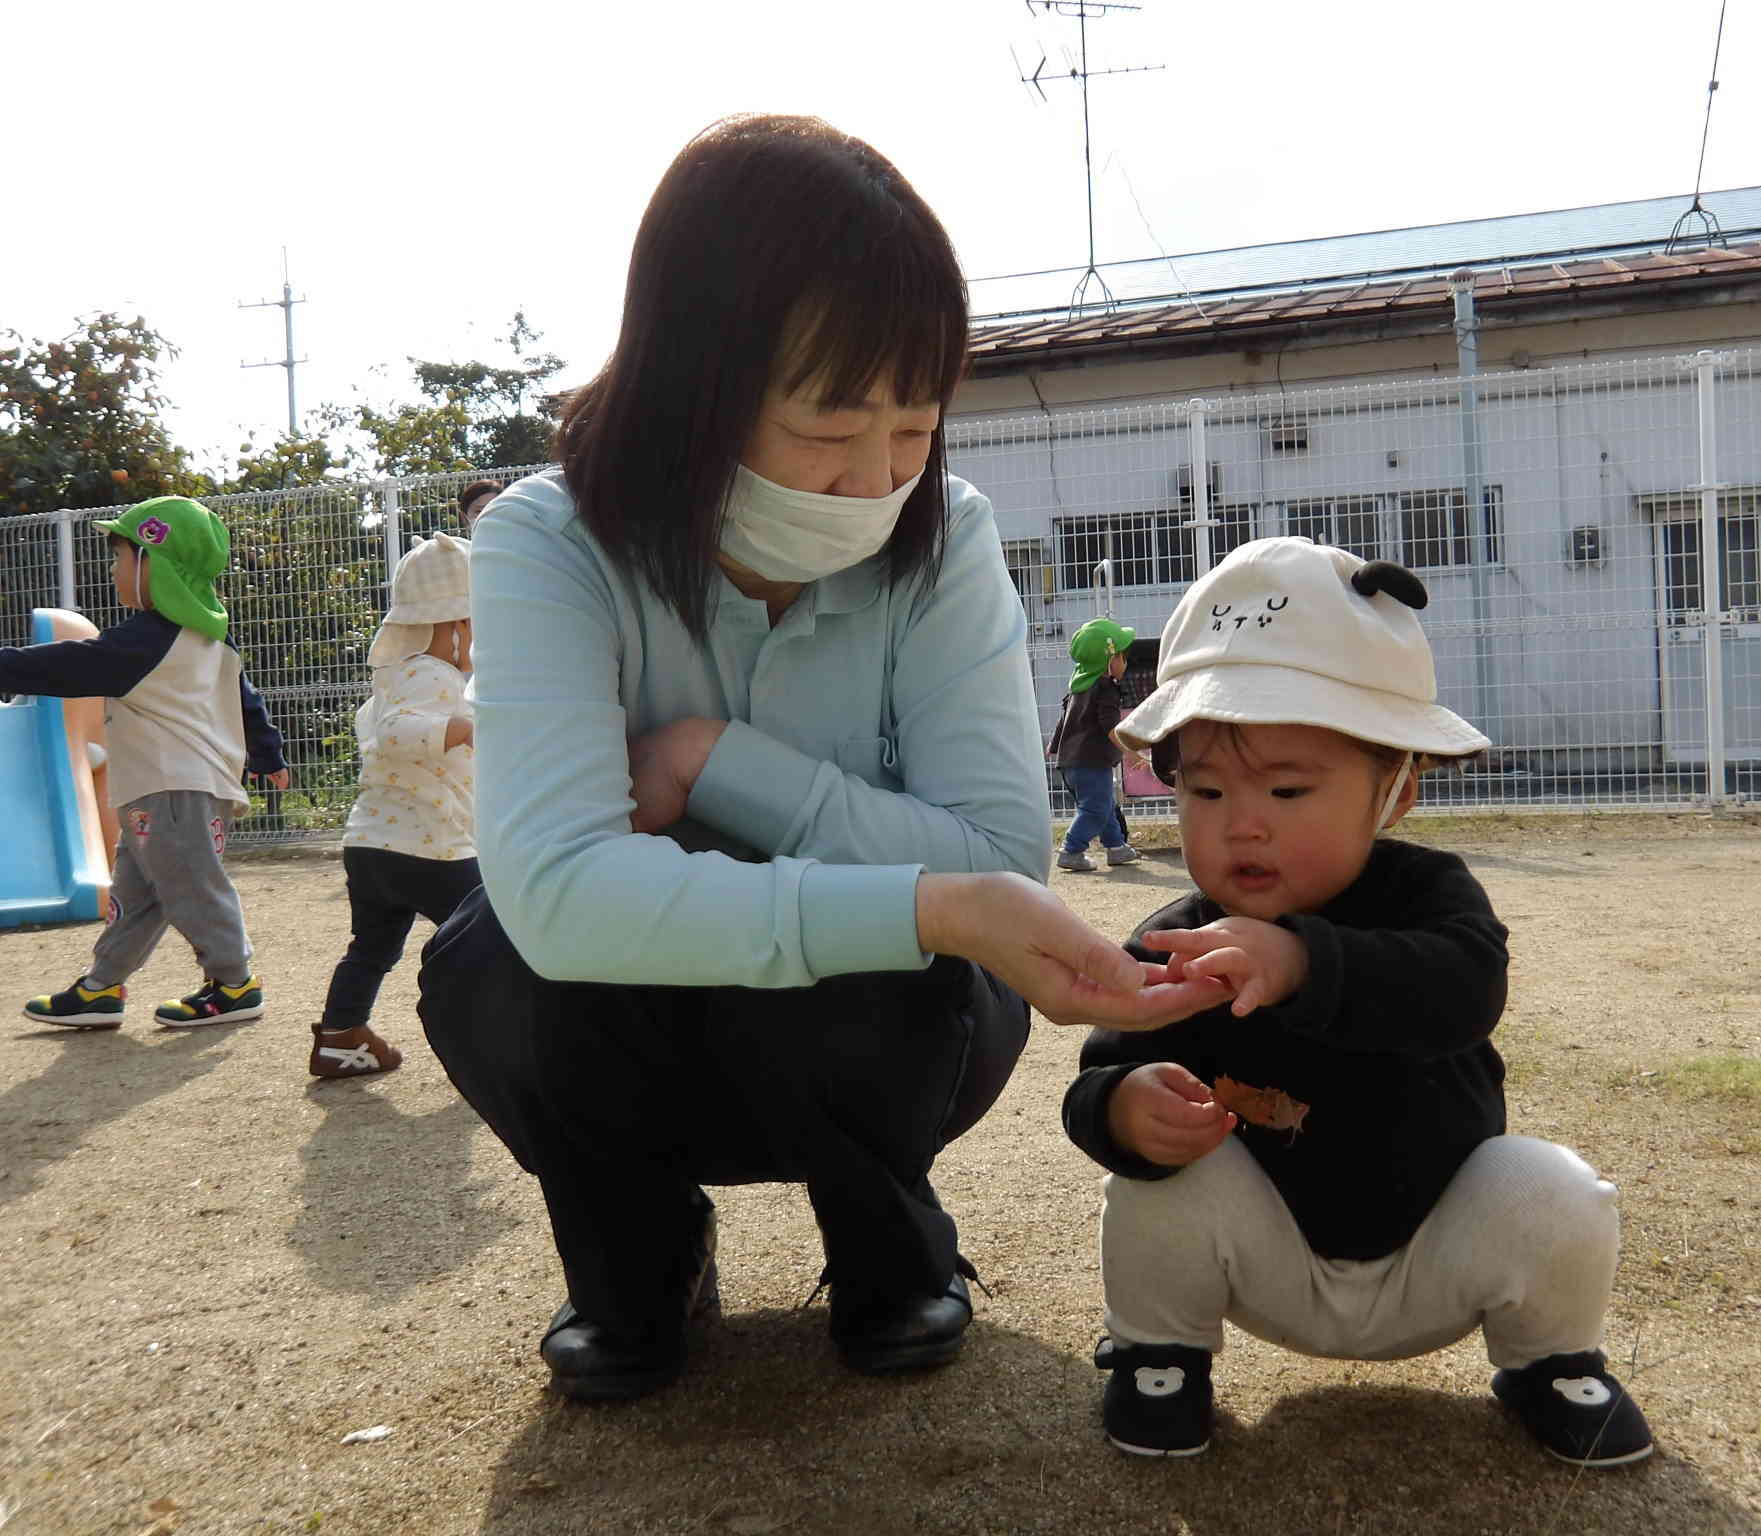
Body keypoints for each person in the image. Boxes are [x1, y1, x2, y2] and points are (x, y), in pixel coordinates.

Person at [416, 114, 1215, 1405]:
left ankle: (890, 1244)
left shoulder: (945, 536)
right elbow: (560, 894)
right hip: (625, 1029)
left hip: (878, 1043)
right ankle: (639, 1256)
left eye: (914, 426)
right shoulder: (548, 541)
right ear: (694, 382)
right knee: (491, 963)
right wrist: (922, 893)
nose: (874, 479)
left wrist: (714, 760)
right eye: (829, 425)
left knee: (880, 962)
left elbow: (1001, 859)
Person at [1062, 536, 1656, 1468]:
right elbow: (1102, 1070)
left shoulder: (1431, 896)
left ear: (1397, 792)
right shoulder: (1180, 934)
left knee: (1553, 1188)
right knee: (1154, 1193)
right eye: (1204, 788)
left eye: (1290, 789)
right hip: (1268, 1264)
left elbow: (1465, 989)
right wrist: (1121, 1112)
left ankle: (1550, 1360)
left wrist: (1303, 962)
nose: (1241, 822)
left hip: (1436, 1255)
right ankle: (1158, 1353)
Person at [6, 497, 290, 1029]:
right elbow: (243, 698)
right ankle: (101, 986)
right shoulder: (211, 636)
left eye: (120, 558)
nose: (112, 571)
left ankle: (235, 983)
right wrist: (267, 751)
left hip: (173, 790)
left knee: (190, 885)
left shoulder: (145, 641)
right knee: (136, 895)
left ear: (154, 565)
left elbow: (66, 667)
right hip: (168, 789)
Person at [308, 532, 480, 1078]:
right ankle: (488, 1041)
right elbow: (396, 734)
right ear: (453, 627)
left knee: (373, 946)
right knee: (486, 938)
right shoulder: (430, 676)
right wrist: (462, 728)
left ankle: (340, 1034)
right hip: (429, 845)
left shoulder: (393, 678)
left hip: (372, 846)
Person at [1051, 616, 1143, 871]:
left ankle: (1116, 847)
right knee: (1095, 809)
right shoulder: (1106, 688)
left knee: (1104, 804)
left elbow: (1064, 720)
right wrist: (1130, 751)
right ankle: (1071, 850)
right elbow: (1109, 726)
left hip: (1071, 761)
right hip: (1092, 761)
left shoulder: (1078, 687)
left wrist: (1054, 747)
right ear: (1110, 661)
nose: (1125, 662)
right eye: (1123, 656)